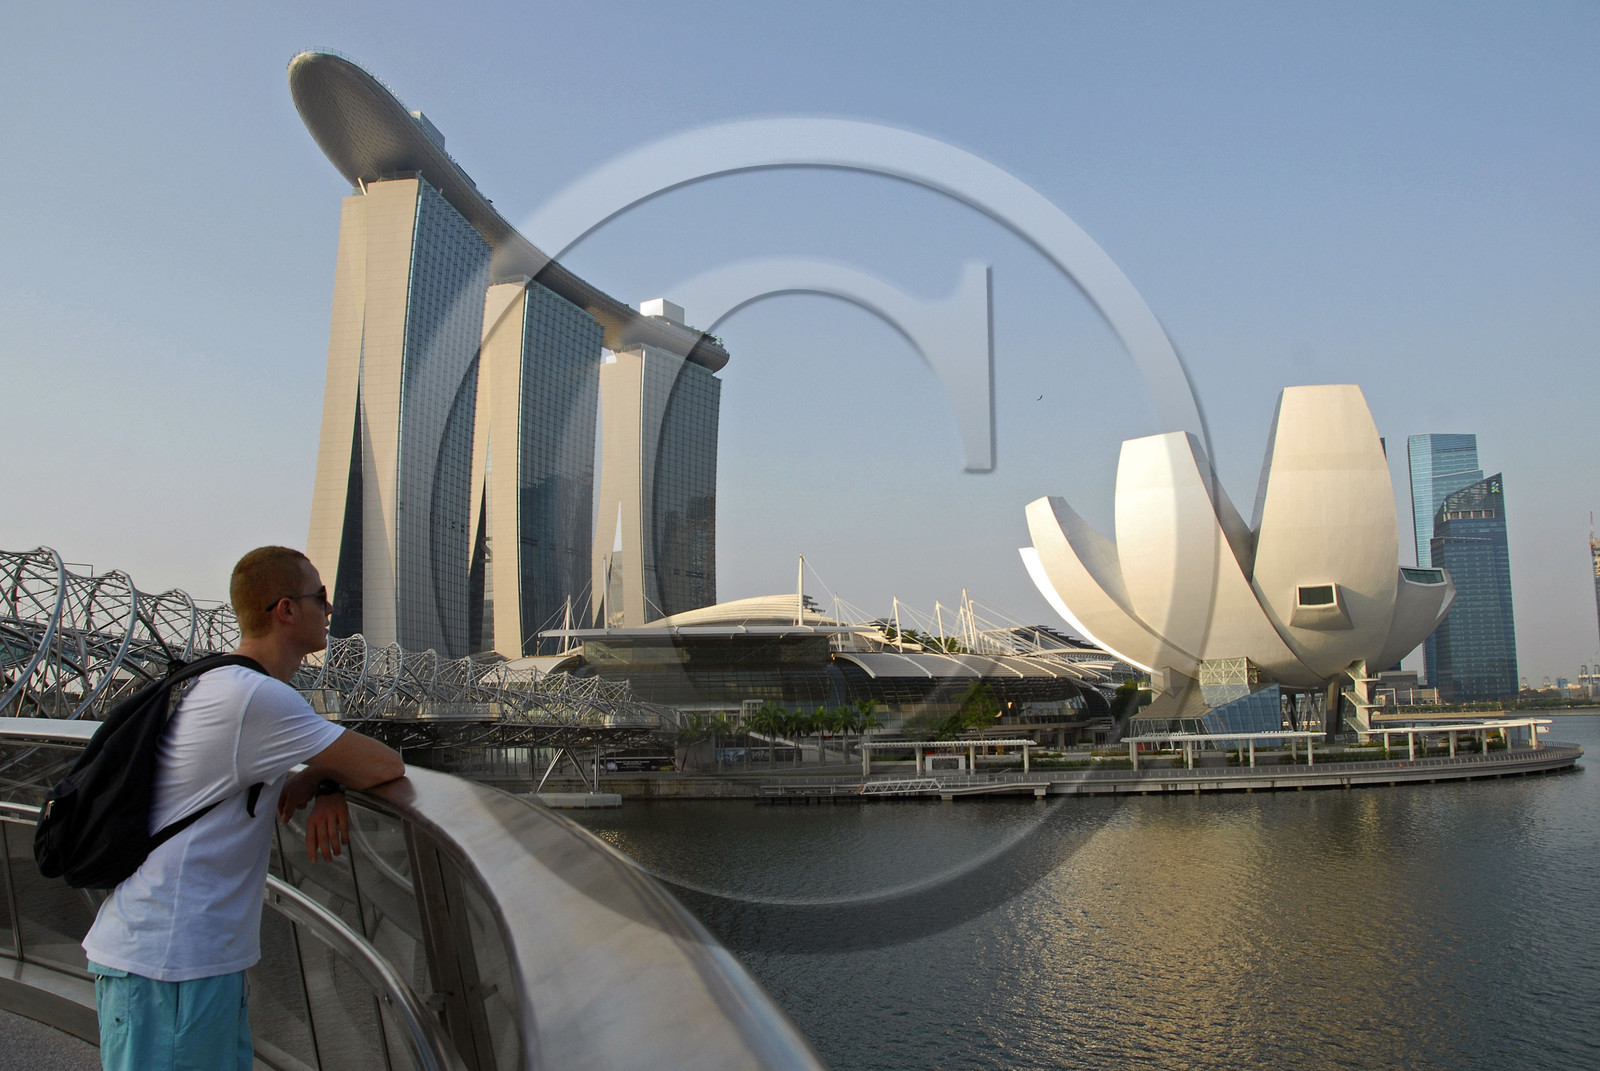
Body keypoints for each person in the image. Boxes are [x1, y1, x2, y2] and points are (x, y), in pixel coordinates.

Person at [81, 546, 405, 1070]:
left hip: (186, 962)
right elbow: (385, 765)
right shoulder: (256, 699)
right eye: (320, 596)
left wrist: (324, 781)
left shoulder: (219, 682)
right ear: (286, 610)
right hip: (172, 969)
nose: (330, 608)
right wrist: (330, 773)